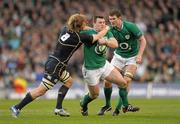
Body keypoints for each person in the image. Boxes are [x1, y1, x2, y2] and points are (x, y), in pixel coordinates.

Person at [10, 13, 110, 118]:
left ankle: (58, 108)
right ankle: (17, 107)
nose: (86, 24)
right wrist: (107, 28)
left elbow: (84, 28)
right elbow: (97, 37)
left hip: (54, 61)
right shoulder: (79, 37)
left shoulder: (65, 29)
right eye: (84, 23)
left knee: (68, 81)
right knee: (40, 91)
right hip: (56, 66)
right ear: (80, 25)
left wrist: (93, 28)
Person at [98, 9, 147, 116]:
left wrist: (140, 55)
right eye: (110, 19)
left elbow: (143, 40)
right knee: (107, 81)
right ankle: (107, 104)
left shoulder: (131, 26)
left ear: (120, 18)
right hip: (118, 57)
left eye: (113, 19)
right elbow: (97, 31)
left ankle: (118, 108)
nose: (111, 21)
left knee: (126, 81)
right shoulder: (110, 28)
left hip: (132, 58)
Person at [79, 16, 127, 116]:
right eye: (100, 22)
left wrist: (105, 41)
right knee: (94, 95)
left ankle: (123, 105)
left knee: (123, 83)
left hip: (104, 65)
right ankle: (83, 103)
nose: (103, 24)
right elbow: (93, 37)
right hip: (91, 69)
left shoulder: (107, 32)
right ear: (94, 24)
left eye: (104, 22)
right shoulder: (87, 33)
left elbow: (115, 44)